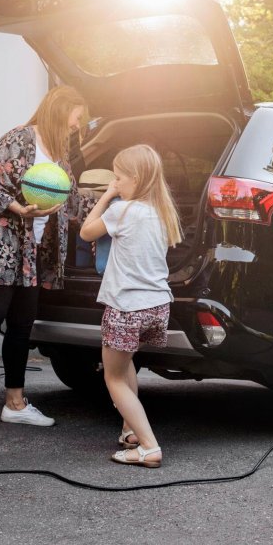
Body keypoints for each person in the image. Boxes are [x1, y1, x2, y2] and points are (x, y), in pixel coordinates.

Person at [0, 85, 89, 438]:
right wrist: (19, 208)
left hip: (30, 253)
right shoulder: (20, 138)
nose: (76, 127)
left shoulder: (58, 157)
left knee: (22, 326)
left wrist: (116, 198)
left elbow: (68, 202)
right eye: (75, 119)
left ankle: (15, 404)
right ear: (58, 112)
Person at [79, 144, 182, 468]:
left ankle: (149, 447)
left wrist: (107, 196)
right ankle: (131, 431)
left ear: (136, 179)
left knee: (113, 378)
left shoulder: (123, 210)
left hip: (126, 307)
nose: (116, 183)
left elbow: (85, 232)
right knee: (125, 368)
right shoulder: (163, 213)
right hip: (157, 305)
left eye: (119, 178)